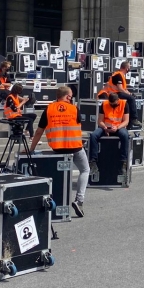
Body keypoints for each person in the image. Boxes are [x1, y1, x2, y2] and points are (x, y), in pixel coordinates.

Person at [29, 86, 89, 217]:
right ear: (68, 97)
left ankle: (56, 198)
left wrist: (31, 149)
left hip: (57, 147)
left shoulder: (48, 109)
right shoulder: (74, 109)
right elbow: (78, 127)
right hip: (75, 146)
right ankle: (79, 200)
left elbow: (39, 131)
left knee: (59, 174)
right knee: (85, 170)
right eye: (71, 96)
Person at [88, 92, 132, 176]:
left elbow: (126, 121)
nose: (112, 105)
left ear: (118, 100)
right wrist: (104, 127)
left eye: (114, 104)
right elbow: (100, 120)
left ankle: (123, 162)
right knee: (93, 135)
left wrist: (117, 127)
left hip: (119, 127)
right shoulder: (104, 104)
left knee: (125, 135)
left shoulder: (124, 104)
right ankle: (93, 162)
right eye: (111, 104)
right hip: (105, 127)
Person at [98, 62, 142, 129]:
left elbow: (124, 89)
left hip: (118, 93)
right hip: (114, 94)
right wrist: (130, 95)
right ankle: (134, 119)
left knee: (131, 98)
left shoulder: (121, 75)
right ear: (126, 68)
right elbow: (120, 89)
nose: (129, 69)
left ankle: (129, 123)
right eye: (129, 68)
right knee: (131, 99)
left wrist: (130, 93)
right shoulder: (118, 75)